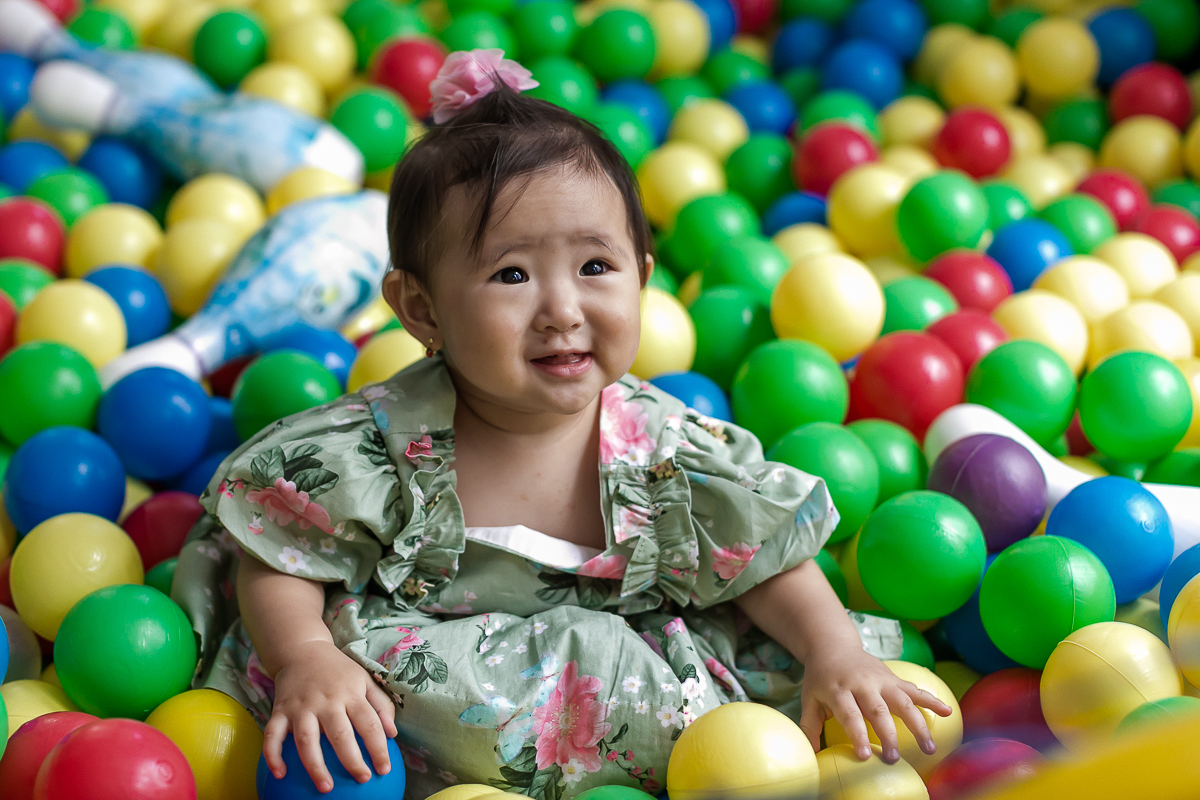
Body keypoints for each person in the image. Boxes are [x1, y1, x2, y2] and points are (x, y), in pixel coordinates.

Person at [175, 48, 951, 799]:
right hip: (432, 663)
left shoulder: (665, 452)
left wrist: (833, 653)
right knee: (350, 694)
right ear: (422, 309)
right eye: (511, 274)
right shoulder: (378, 452)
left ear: (643, 276)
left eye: (596, 268)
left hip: (626, 665)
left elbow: (760, 555)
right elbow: (287, 552)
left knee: (754, 717)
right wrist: (308, 657)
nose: (563, 311)